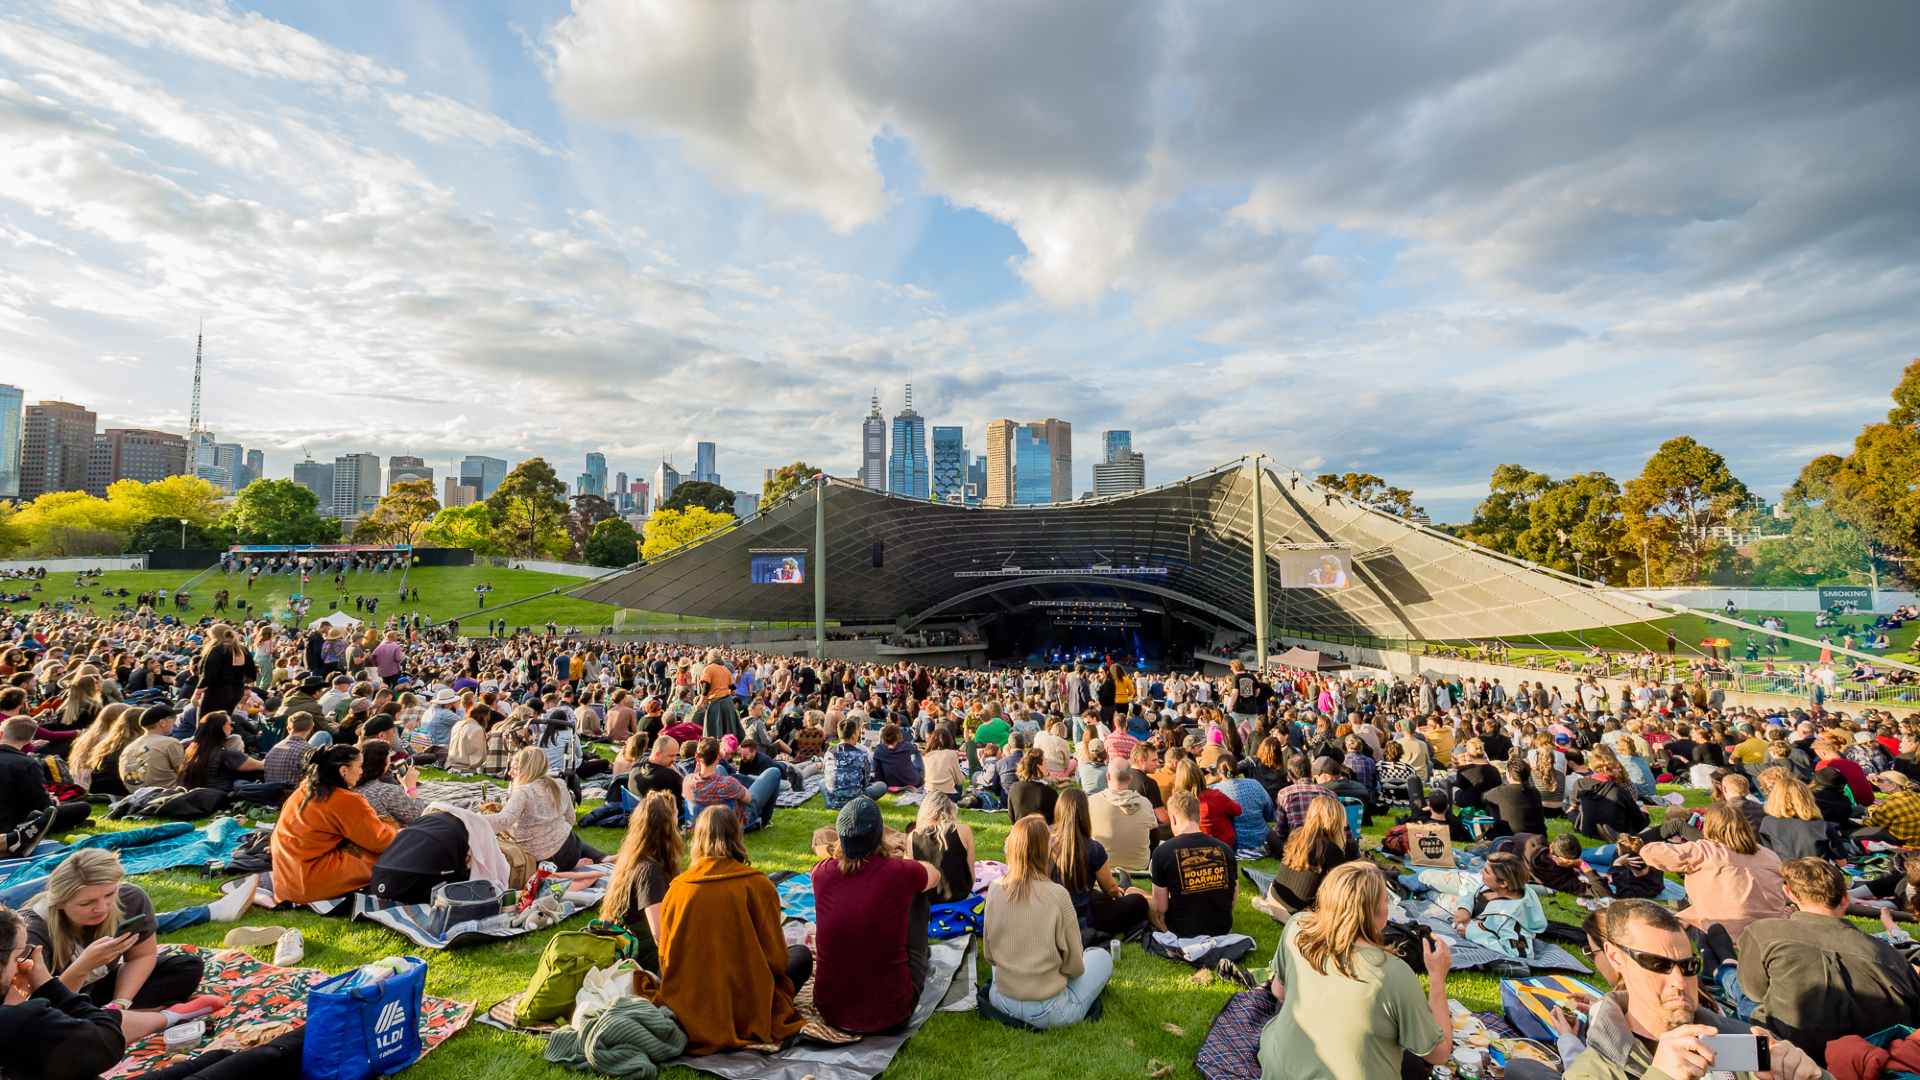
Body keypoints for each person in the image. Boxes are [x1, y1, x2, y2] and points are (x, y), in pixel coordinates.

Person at [1562, 899, 1823, 1080]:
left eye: (1688, 966)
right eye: (1658, 964)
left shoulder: (1738, 1040)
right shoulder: (1592, 1071)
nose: (1679, 982)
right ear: (1616, 957)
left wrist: (1812, 1075)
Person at [1257, 862, 1456, 1079]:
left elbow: (1279, 992)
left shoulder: (1297, 927)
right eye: (1385, 900)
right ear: (1377, 911)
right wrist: (1437, 978)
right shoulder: (1392, 973)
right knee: (1415, 1065)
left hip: (1279, 1066)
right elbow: (1438, 1053)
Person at [651, 806, 805, 1055]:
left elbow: (666, 958)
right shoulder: (757, 885)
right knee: (802, 957)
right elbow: (776, 961)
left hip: (690, 1006)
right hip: (747, 1007)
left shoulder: (677, 888)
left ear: (698, 839)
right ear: (737, 836)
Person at [1737, 858, 1920, 1066]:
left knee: (1738, 985)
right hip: (1870, 1056)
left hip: (1791, 1052)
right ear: (1844, 899)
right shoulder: (1887, 955)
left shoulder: (1763, 932)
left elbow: (1754, 991)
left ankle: (1722, 963)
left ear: (1788, 892)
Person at [23, 849, 241, 1018]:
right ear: (60, 903)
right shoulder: (33, 932)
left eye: (109, 894)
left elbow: (142, 956)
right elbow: (36, 1008)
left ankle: (114, 1018)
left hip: (100, 993)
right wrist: (83, 967)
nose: (102, 907)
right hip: (58, 1003)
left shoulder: (131, 899)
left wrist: (119, 1004)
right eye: (87, 903)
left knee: (186, 967)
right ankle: (143, 1018)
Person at [811, 797, 942, 1035]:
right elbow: (934, 875)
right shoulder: (898, 873)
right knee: (920, 896)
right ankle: (917, 956)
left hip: (830, 1009)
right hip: (891, 1013)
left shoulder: (820, 874)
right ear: (879, 835)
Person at [982, 815, 1114, 1029]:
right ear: (1045, 852)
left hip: (1001, 999)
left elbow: (990, 955)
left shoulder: (995, 888)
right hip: (1049, 1010)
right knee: (1101, 957)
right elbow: (1075, 967)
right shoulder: (1057, 895)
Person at [1642, 802, 1789, 964]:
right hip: (1773, 927)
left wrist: (1658, 840)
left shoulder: (1706, 851)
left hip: (1727, 928)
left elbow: (1651, 853)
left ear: (1709, 826)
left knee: (1657, 925)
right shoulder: (1769, 855)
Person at [270, 743, 396, 903]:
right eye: (359, 766)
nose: (361, 771)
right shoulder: (346, 799)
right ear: (344, 771)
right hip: (310, 882)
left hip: (286, 881)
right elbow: (381, 841)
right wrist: (394, 827)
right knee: (387, 857)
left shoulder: (303, 790)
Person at [1050, 787, 1151, 939]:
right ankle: (1125, 888)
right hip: (1085, 918)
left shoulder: (1045, 844)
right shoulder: (1093, 848)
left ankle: (1125, 886)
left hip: (1054, 915)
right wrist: (1118, 894)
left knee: (1096, 895)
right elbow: (1110, 889)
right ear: (1085, 814)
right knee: (1138, 902)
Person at [600, 792, 682, 973]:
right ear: (667, 827)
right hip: (643, 961)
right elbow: (660, 936)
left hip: (632, 951)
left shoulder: (634, 859)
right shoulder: (649, 871)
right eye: (676, 817)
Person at [486, 747, 604, 869]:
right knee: (565, 836)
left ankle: (574, 868)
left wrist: (473, 819)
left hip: (546, 859)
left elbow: (503, 821)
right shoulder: (559, 784)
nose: (509, 773)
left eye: (514, 769)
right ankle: (600, 859)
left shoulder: (523, 792)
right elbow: (571, 819)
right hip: (572, 847)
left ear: (526, 769)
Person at [1150, 791, 1236, 937]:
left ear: (1173, 819)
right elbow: (1232, 899)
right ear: (1199, 816)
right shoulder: (1226, 850)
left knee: (1138, 895)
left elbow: (1161, 908)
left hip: (1181, 931)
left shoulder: (1162, 852)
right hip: (1221, 929)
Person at [0, 716, 88, 854]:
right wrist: (52, 801)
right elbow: (41, 805)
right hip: (14, 822)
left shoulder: (26, 763)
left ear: (1, 733)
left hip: (10, 816)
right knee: (82, 807)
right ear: (30, 740)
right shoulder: (27, 764)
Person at [1265, 795, 1360, 915]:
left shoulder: (1297, 835)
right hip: (1298, 912)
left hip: (1276, 898)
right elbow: (1339, 889)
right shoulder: (1331, 849)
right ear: (1337, 819)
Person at [681, 736, 781, 833]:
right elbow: (749, 799)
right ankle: (764, 821)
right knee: (774, 772)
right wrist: (738, 790)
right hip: (732, 824)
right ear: (718, 757)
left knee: (720, 768)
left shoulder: (687, 780)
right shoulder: (728, 783)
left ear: (697, 757)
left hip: (700, 824)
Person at [909, 791, 976, 901]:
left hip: (927, 900)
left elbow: (910, 879)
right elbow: (971, 875)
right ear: (951, 809)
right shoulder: (963, 830)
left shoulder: (913, 836)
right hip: (960, 896)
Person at [1089, 766, 1157, 873]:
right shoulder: (1145, 803)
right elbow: (1154, 837)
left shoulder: (1091, 802)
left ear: (1107, 776)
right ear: (1130, 778)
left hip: (1102, 865)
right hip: (1139, 865)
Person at [1756, 774, 1839, 860]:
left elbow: (1771, 854)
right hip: (1818, 871)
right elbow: (1841, 861)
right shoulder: (1822, 826)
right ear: (1808, 798)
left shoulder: (1767, 823)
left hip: (1786, 870)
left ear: (1775, 798)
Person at [179, 712, 263, 793]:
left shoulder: (190, 751)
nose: (232, 728)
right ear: (221, 728)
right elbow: (263, 765)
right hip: (220, 799)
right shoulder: (227, 755)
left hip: (196, 798)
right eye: (230, 724)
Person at [353, 740, 423, 825]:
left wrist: (405, 785)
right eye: (389, 758)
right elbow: (418, 817)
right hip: (393, 835)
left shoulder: (348, 788)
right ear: (384, 762)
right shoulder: (386, 790)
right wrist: (411, 787)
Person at [194, 624, 257, 718]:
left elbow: (208, 675)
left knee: (205, 722)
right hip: (236, 691)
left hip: (216, 692)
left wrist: (197, 693)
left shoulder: (217, 650)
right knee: (224, 721)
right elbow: (252, 674)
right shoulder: (243, 650)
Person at [823, 716, 885, 809]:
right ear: (853, 735)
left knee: (821, 782)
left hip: (834, 798)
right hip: (857, 799)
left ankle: (833, 801)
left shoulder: (829, 752)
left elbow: (827, 775)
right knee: (882, 786)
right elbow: (865, 782)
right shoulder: (862, 754)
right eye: (858, 732)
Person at [118, 705, 184, 791]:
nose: (175, 722)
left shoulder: (129, 747)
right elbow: (185, 773)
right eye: (173, 718)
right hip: (168, 796)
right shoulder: (170, 743)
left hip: (138, 797)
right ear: (162, 722)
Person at [1484, 757, 1547, 838]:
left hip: (1508, 838)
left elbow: (1484, 798)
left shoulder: (1499, 792)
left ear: (1508, 774)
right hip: (1537, 836)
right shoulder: (1535, 792)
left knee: (1491, 805)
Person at [1005, 749, 1059, 825]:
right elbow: (1056, 820)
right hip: (1042, 833)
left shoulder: (1014, 788)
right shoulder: (1049, 792)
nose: (1048, 765)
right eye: (1045, 761)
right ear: (1038, 766)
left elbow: (1012, 817)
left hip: (1020, 832)